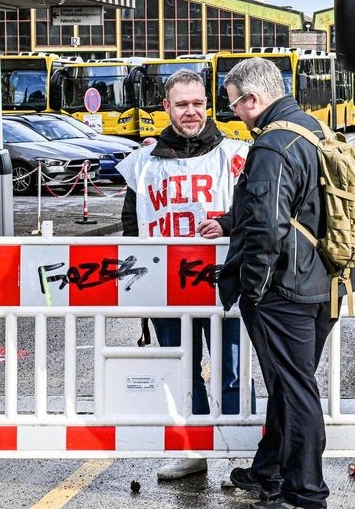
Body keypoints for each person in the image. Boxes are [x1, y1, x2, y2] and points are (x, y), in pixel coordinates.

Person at [115, 69, 250, 481]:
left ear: (207, 106)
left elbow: (252, 210)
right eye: (182, 105)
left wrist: (226, 223)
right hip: (167, 285)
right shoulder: (143, 162)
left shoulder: (235, 154)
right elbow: (130, 224)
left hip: (222, 283)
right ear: (166, 107)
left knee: (230, 369)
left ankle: (235, 449)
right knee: (179, 369)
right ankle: (191, 449)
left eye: (197, 104)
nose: (190, 112)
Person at [217, 58, 337, 509]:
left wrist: (253, 286)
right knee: (290, 381)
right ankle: (268, 469)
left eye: (235, 107)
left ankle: (305, 491)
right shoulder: (313, 129)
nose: (236, 116)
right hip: (323, 281)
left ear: (254, 99)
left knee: (293, 387)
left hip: (284, 289)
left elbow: (266, 228)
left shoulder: (272, 145)